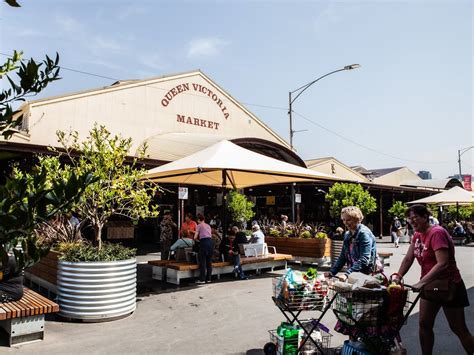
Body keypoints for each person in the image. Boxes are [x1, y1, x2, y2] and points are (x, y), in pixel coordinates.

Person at [397, 205, 473, 355]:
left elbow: (442, 263)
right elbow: (408, 258)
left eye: (415, 218)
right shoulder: (417, 235)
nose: (412, 222)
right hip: (430, 286)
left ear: (425, 217)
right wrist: (398, 276)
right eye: (409, 219)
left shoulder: (436, 233)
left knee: (458, 328)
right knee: (424, 324)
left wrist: (421, 282)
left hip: (450, 286)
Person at [325, 206, 378, 280]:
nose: (345, 223)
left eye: (349, 220)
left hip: (366, 275)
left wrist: (347, 274)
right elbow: (343, 257)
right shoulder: (347, 234)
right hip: (353, 274)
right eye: (343, 220)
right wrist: (332, 272)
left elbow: (364, 259)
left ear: (357, 219)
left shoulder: (364, 233)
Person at [194, 215, 214, 284]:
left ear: (199, 220)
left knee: (203, 262)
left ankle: (202, 279)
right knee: (209, 262)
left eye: (197, 220)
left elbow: (195, 237)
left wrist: (198, 241)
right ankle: (209, 278)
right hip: (210, 242)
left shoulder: (199, 225)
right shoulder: (208, 225)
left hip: (204, 243)